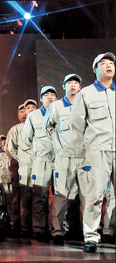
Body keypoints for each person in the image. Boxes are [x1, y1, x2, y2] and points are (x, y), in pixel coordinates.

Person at [70, 52, 115, 252]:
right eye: (103, 63)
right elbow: (76, 125)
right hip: (97, 151)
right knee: (94, 195)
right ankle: (91, 236)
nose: (109, 65)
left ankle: (111, 231)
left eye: (111, 62)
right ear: (95, 69)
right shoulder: (85, 93)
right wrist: (85, 153)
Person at [43, 73, 86, 245]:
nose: (73, 85)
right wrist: (58, 144)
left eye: (76, 82)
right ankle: (58, 231)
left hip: (84, 157)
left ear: (80, 87)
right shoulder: (56, 106)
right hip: (64, 157)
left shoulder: (85, 105)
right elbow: (48, 128)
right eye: (70, 82)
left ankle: (87, 231)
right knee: (61, 196)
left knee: (87, 196)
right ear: (63, 86)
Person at [23, 86, 58, 242]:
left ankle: (58, 230)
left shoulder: (61, 112)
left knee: (60, 196)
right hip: (41, 161)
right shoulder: (33, 116)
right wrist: (38, 153)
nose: (49, 96)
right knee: (40, 195)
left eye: (52, 94)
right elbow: (27, 139)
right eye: (46, 94)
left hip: (60, 160)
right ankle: (39, 228)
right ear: (41, 98)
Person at [6, 99, 37, 241]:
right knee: (19, 198)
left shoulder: (40, 126)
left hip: (37, 167)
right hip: (19, 168)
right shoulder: (16, 129)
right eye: (24, 109)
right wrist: (21, 160)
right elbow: (9, 149)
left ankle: (36, 227)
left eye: (31, 108)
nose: (26, 112)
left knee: (36, 197)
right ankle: (18, 225)